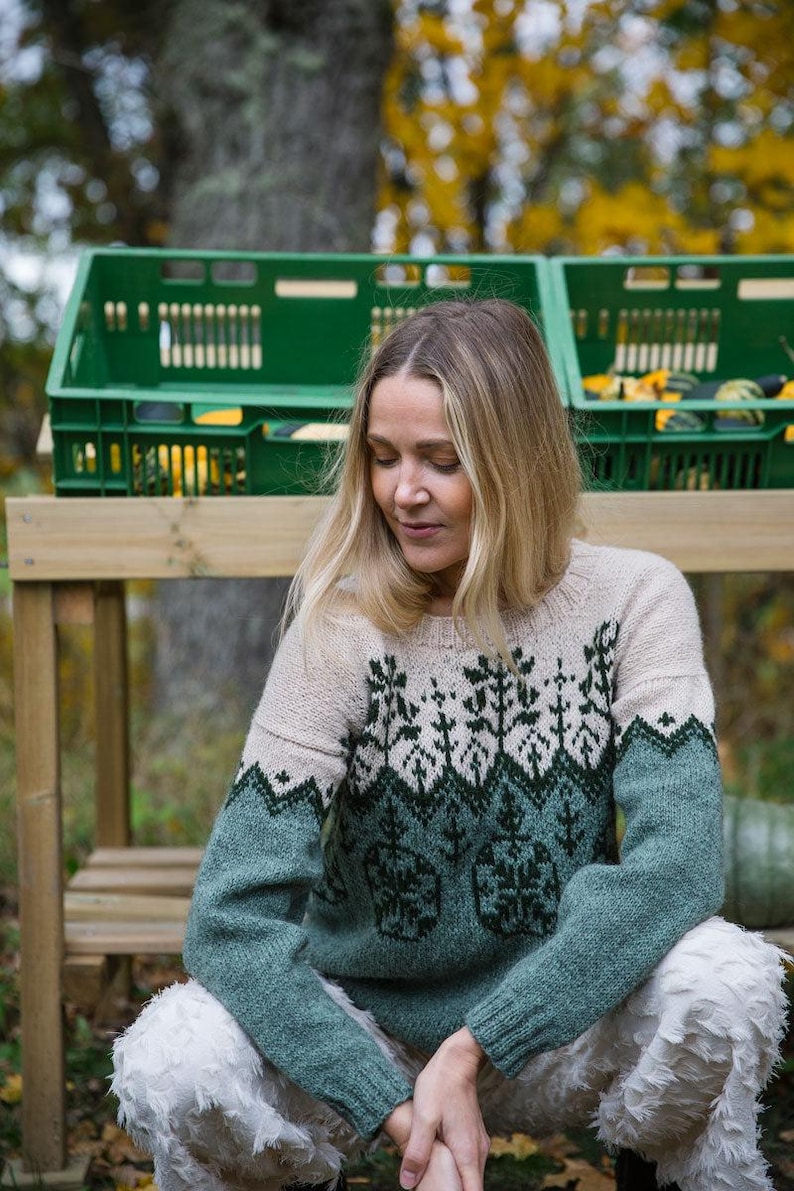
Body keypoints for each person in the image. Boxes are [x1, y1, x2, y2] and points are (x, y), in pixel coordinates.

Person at [111, 298, 788, 1191]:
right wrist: (396, 1112)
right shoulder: (338, 627)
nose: (404, 491)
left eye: (442, 460)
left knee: (726, 982)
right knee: (174, 1056)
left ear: (518, 460)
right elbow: (230, 918)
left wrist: (476, 1048)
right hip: (372, 1024)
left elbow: (681, 865)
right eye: (384, 458)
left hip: (564, 1018)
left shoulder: (636, 601)